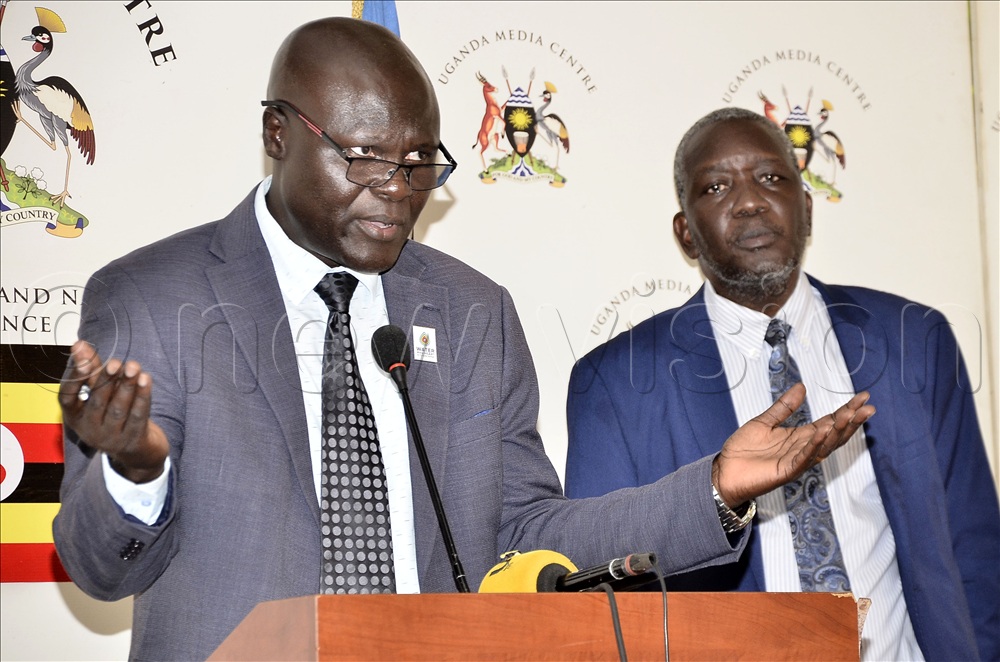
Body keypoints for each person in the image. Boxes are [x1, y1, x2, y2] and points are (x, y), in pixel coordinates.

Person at [52, 22, 873, 661]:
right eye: (365, 158)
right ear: (277, 134)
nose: (397, 193)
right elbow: (100, 567)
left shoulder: (472, 310)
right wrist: (135, 471)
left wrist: (714, 490)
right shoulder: (153, 296)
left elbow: (524, 531)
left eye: (418, 164)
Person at [564, 107, 1000, 661]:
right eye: (716, 186)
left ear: (807, 207)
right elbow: (604, 591)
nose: (749, 200)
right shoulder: (614, 384)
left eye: (771, 178)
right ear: (686, 235)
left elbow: (975, 550)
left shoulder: (915, 341)